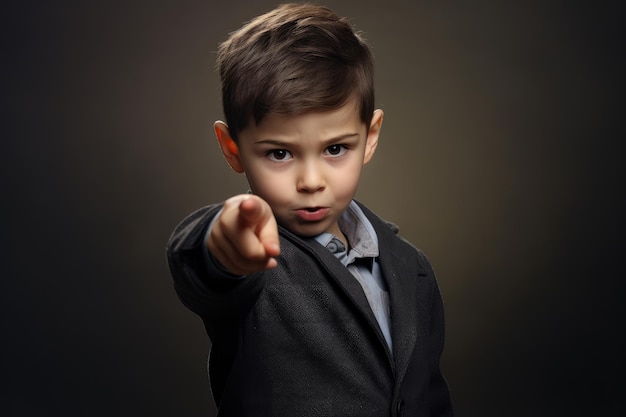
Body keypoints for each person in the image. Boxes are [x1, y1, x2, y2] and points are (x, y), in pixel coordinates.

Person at [167, 3, 453, 416]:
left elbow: (428, 396)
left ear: (370, 137)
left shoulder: (413, 267)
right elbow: (200, 263)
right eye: (280, 153)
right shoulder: (257, 262)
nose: (312, 181)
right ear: (233, 149)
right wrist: (221, 242)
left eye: (336, 149)